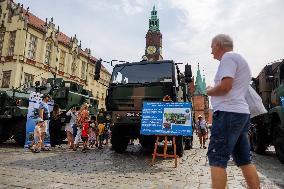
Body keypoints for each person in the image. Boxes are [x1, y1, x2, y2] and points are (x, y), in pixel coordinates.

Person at [206, 34, 260, 189]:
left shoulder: (228, 58)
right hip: (240, 113)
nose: (211, 52)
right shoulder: (239, 58)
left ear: (218, 45)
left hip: (228, 113)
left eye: (212, 47)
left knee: (217, 157)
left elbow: (225, 86)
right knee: (244, 159)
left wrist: (209, 90)